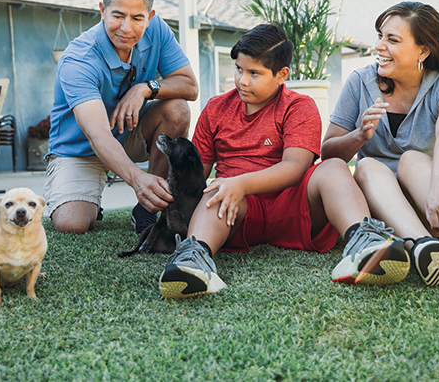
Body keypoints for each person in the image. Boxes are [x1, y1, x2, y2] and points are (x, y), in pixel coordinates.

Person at [159, 24, 412, 300]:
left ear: (282, 75)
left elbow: (295, 167)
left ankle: (363, 242)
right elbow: (196, 178)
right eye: (238, 69)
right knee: (214, 192)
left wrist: (241, 183)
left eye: (254, 73)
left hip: (292, 205)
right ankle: (194, 260)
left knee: (333, 167)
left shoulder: (299, 106)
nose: (242, 81)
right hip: (238, 211)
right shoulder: (216, 108)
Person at [322, 1, 439, 286]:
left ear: (423, 50)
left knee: (412, 160)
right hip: (388, 211)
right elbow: (329, 152)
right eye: (380, 36)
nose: (379, 46)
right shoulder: (360, 82)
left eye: (393, 40)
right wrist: (359, 135)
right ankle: (425, 248)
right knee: (366, 167)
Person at [44, 0, 198, 235]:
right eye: (118, 15)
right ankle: (93, 196)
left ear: (149, 17)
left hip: (128, 132)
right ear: (102, 10)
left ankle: (147, 209)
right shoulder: (78, 59)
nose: (126, 28)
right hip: (80, 148)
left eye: (137, 18)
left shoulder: (157, 30)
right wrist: (136, 178)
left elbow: (190, 86)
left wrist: (144, 89)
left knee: (177, 110)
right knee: (72, 223)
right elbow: (97, 133)